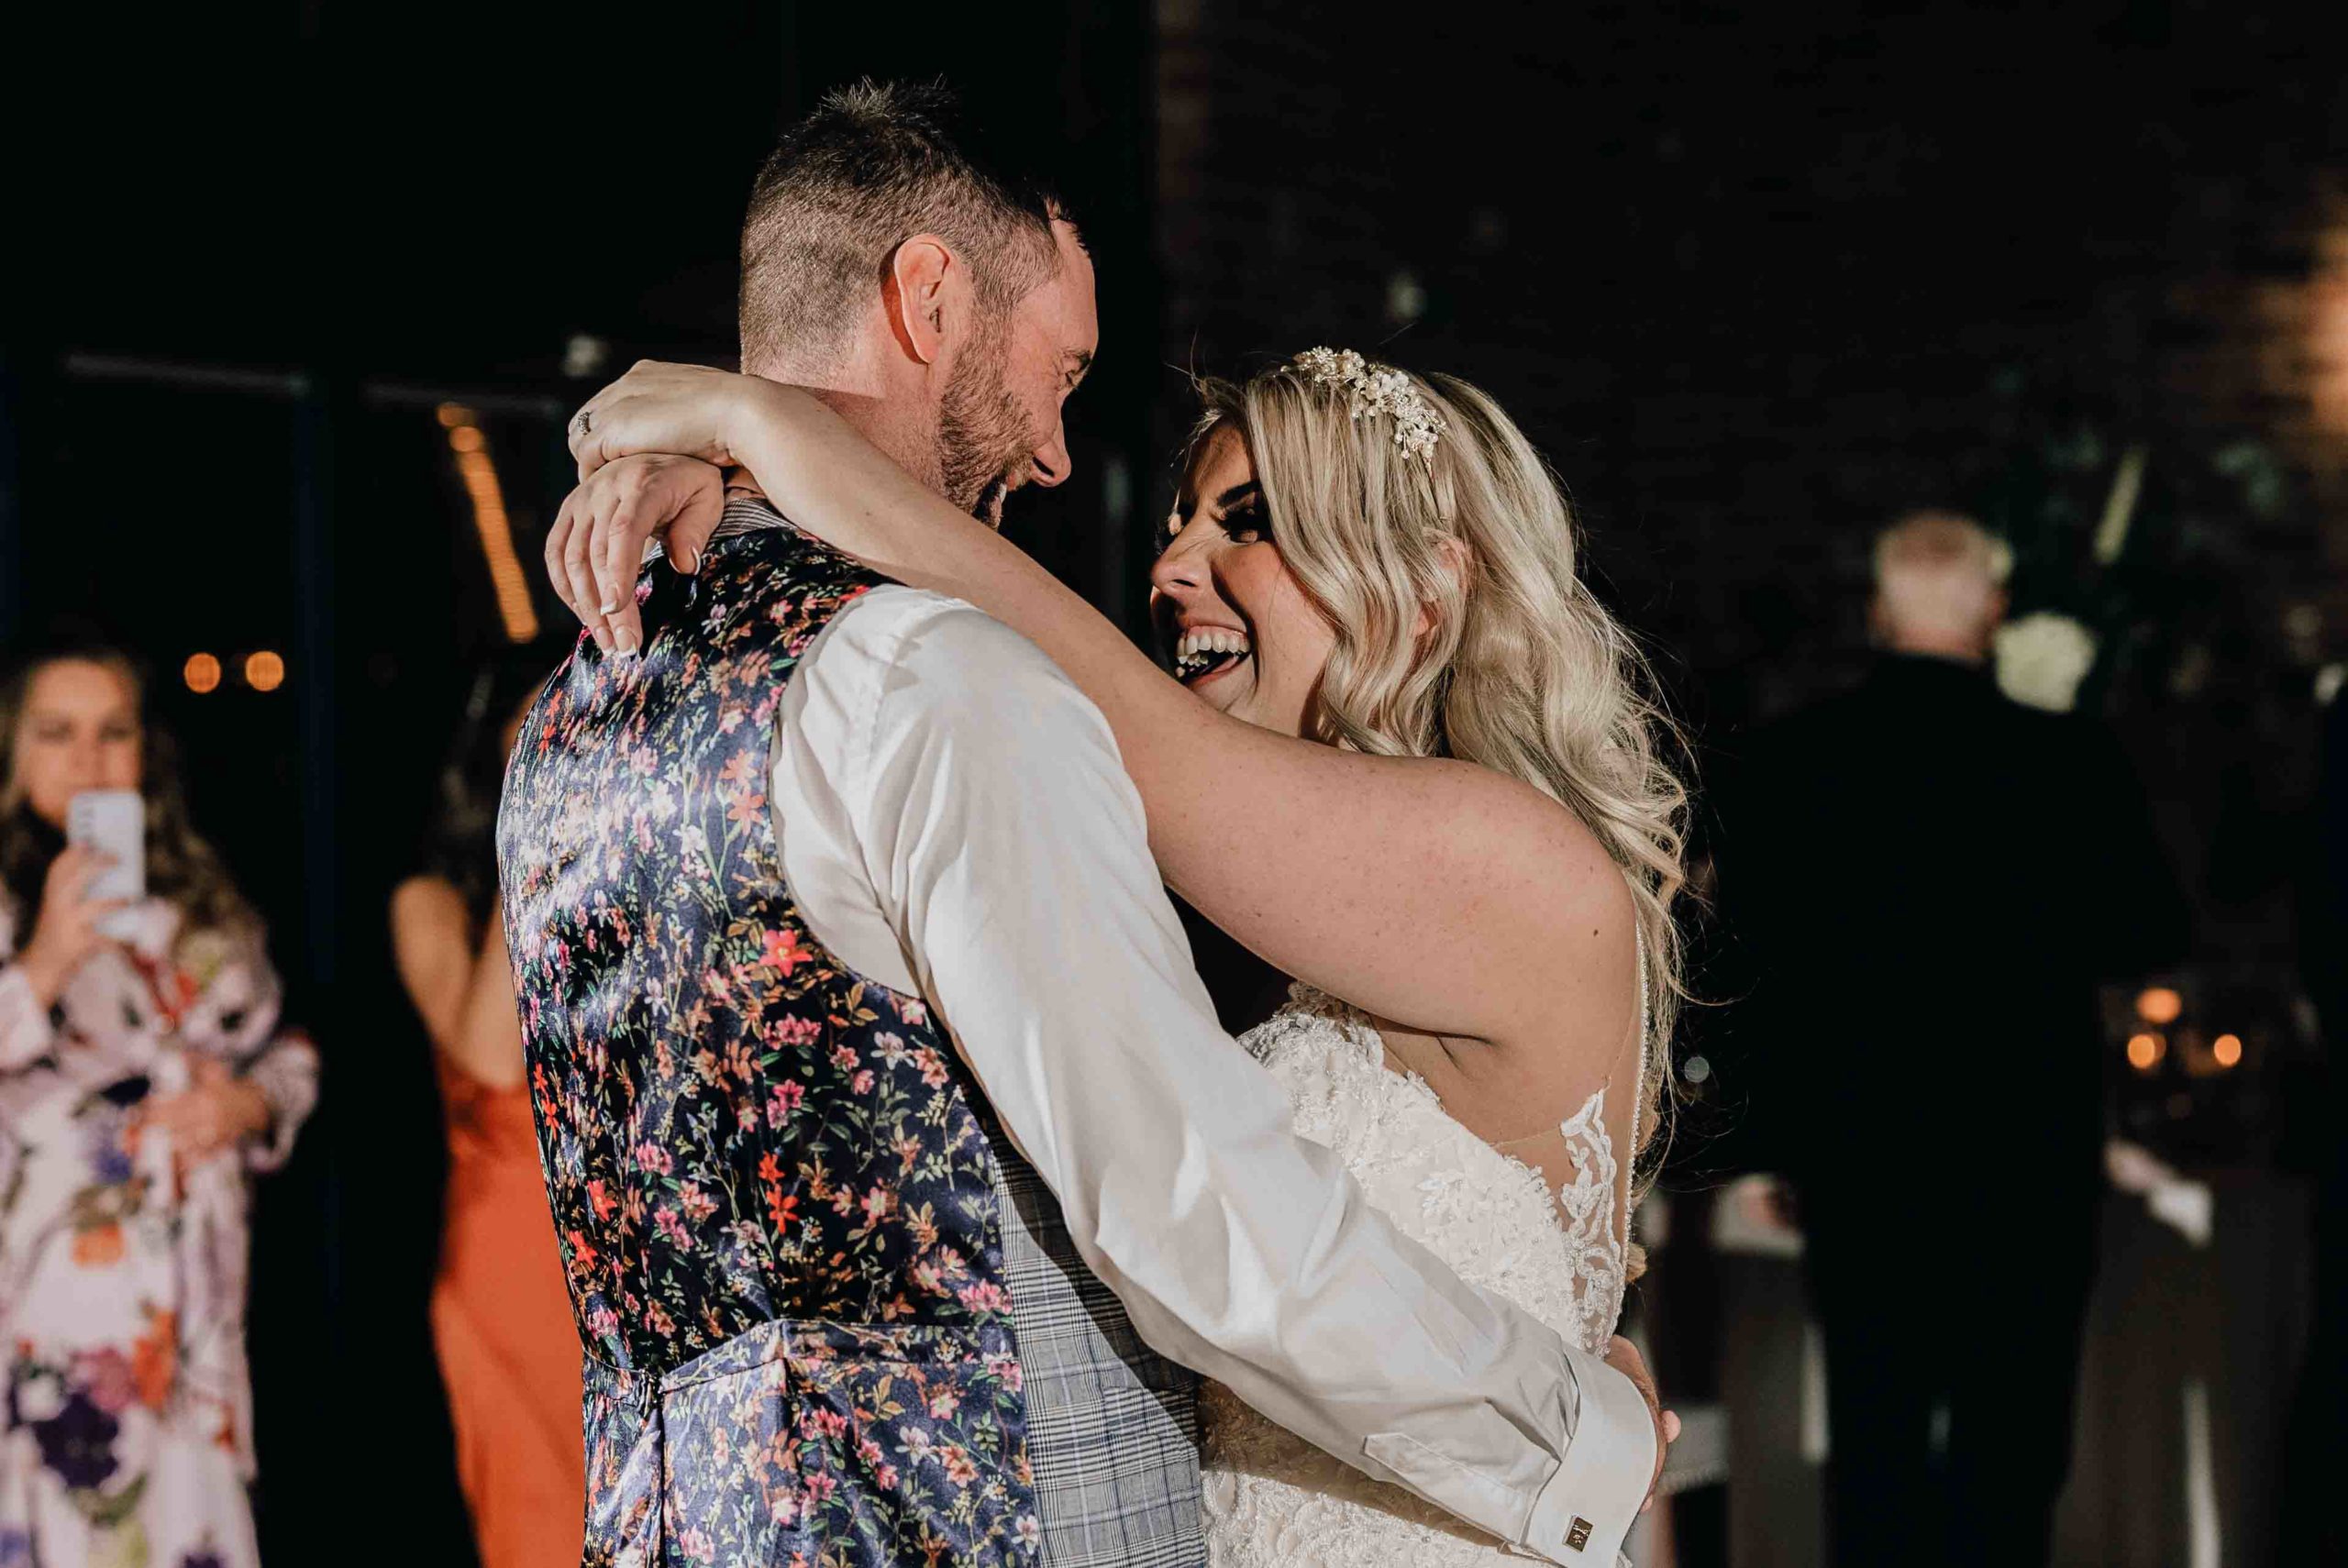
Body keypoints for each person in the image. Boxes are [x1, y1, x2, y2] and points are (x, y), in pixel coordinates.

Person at [503, 81, 1669, 1568]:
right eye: (1061, 373)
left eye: (1245, 524)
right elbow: (1188, 1212)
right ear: (928, 297)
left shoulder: (576, 715)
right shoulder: (941, 688)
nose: (1066, 465)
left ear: (1420, 584)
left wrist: (749, 431)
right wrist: (1576, 1434)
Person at [1711, 513, 2186, 1567]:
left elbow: (1740, 966)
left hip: (1858, 1147)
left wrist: (1769, 1140)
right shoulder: (2062, 756)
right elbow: (2152, 926)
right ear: (1996, 611)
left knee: (1874, 1431)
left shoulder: (1793, 760)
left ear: (1879, 614)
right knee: (2009, 1447)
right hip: (2026, 1147)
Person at [0, 636, 318, 1567]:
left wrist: (249, 1105)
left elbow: (288, 1053)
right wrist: (51, 955)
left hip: (189, 1320)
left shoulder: (201, 900)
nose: (89, 758)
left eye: (114, 731)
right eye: (58, 733)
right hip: (47, 1319)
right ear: (15, 749)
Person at [390, 663, 581, 1568]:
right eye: (542, 731)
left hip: (637, 1246)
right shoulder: (432, 903)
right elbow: (487, 1059)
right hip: (513, 1254)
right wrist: (533, 845)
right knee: (542, 1528)